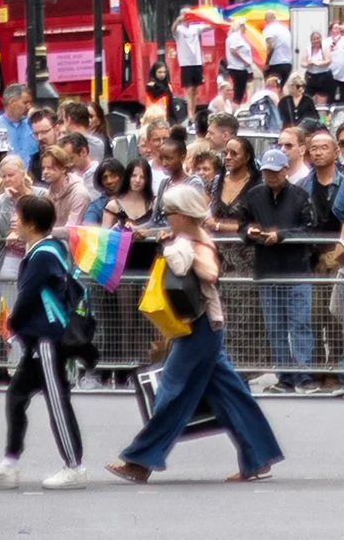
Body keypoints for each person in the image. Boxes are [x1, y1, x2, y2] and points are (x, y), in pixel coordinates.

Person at [107, 183, 282, 483]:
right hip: (200, 327)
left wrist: (181, 249)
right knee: (231, 395)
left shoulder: (198, 242)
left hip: (200, 328)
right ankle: (259, 456)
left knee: (172, 392)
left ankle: (141, 459)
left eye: (169, 213)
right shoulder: (186, 237)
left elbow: (211, 273)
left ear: (184, 215)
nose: (166, 218)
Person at [0, 186, 86, 488]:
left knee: (57, 400)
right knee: (16, 395)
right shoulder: (47, 249)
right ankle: (10, 463)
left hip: (47, 338)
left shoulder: (41, 256)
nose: (14, 220)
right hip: (39, 339)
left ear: (32, 223)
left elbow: (27, 297)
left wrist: (12, 323)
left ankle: (73, 466)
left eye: (18, 216)